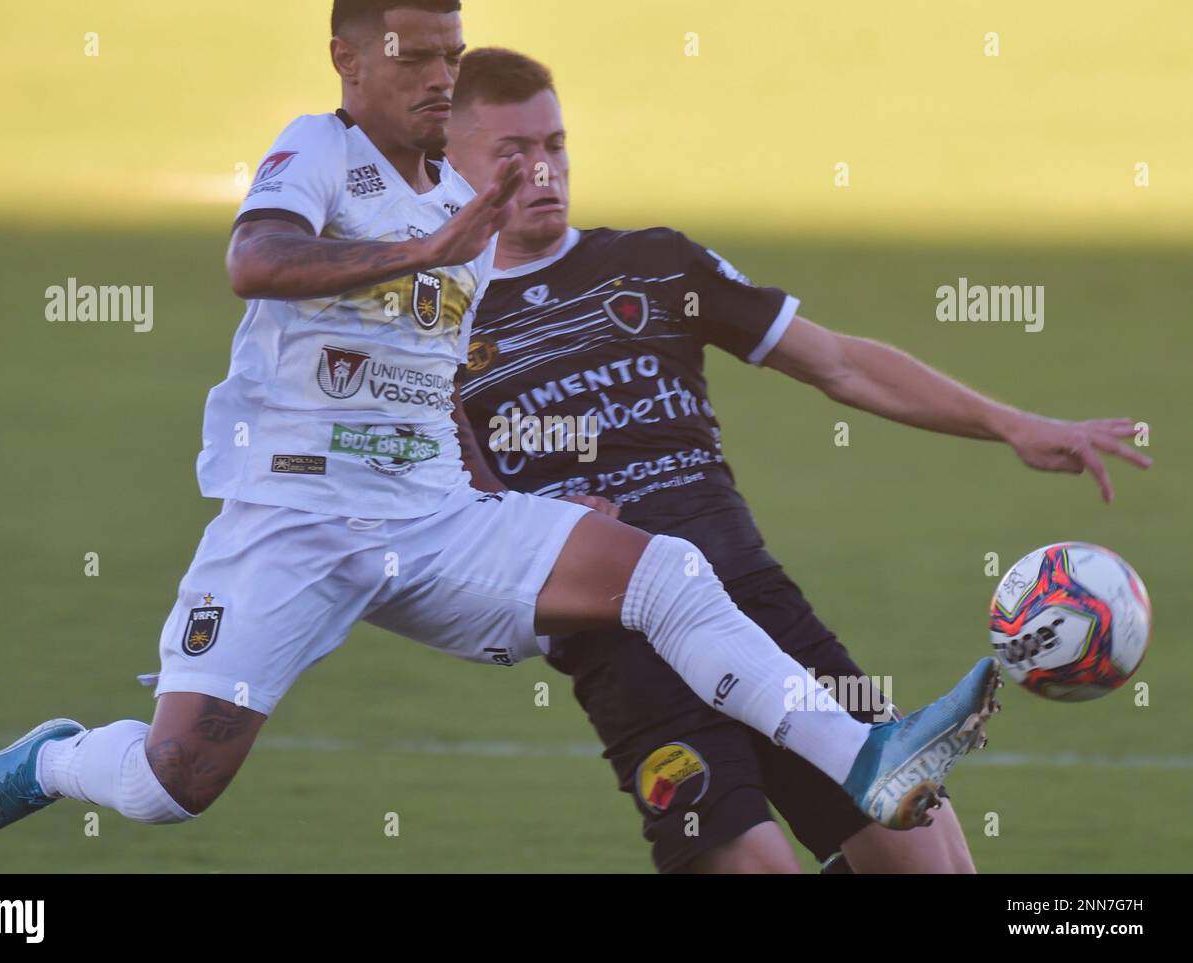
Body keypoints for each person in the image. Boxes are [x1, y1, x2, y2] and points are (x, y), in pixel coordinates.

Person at [0, 0, 1002, 862]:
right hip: (293, 519)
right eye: (412, 55)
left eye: (451, 52)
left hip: (434, 517)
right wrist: (431, 251)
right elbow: (256, 262)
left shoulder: (461, 203)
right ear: (346, 59)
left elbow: (433, 386)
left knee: (662, 572)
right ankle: (54, 762)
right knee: (174, 785)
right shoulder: (325, 155)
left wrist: (511, 501)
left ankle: (865, 764)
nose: (438, 75)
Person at [442, 47, 1151, 873]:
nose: (542, 171)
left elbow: (839, 362)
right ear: (448, 161)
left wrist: (1013, 424)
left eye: (555, 145)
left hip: (759, 605)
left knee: (932, 862)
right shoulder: (430, 320)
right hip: (625, 642)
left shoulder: (656, 265)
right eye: (512, 153)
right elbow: (448, 508)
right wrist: (532, 525)